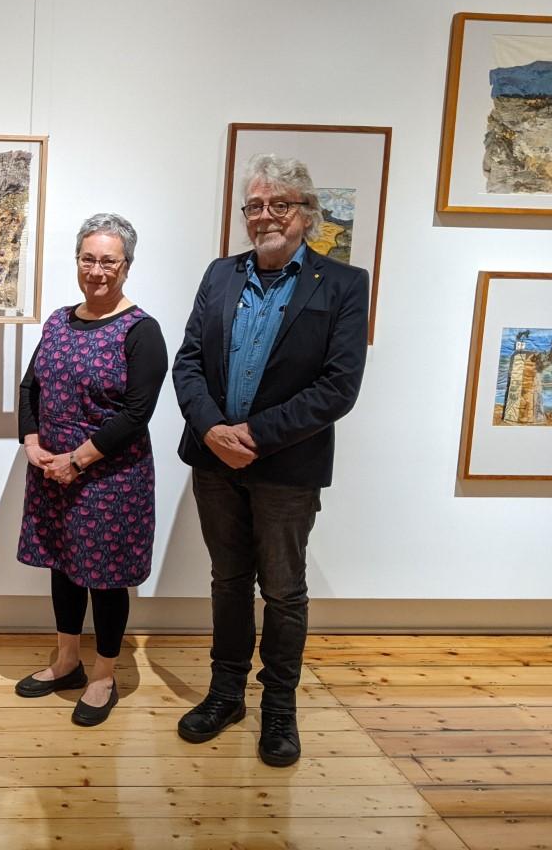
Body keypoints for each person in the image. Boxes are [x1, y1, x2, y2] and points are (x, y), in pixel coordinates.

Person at [171, 153, 369, 767]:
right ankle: (226, 692)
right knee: (228, 580)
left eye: (278, 204)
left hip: (285, 467)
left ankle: (278, 706)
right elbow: (188, 362)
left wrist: (252, 435)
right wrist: (210, 430)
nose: (264, 216)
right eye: (254, 205)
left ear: (306, 214)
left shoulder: (343, 284)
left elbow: (339, 387)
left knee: (283, 591)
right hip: (213, 464)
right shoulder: (220, 274)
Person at [15, 213, 168, 727]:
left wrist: (77, 460)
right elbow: (30, 387)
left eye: (108, 261)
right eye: (88, 259)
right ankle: (67, 661)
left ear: (126, 266)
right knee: (63, 565)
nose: (97, 271)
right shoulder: (58, 320)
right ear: (77, 261)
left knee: (104, 578)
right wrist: (33, 443)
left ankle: (104, 674)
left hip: (110, 478)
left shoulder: (142, 331)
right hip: (53, 471)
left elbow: (136, 413)